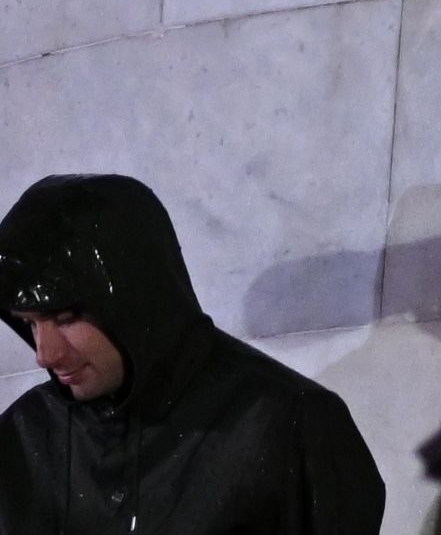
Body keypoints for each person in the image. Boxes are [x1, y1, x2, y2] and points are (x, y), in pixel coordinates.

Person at [2, 173, 382, 533]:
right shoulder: (22, 437)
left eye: (66, 317)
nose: (44, 355)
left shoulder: (291, 426)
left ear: (140, 297)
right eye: (30, 323)